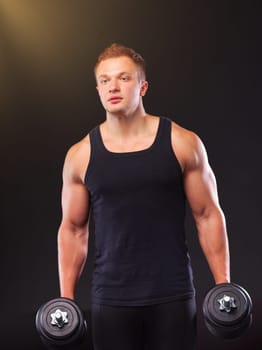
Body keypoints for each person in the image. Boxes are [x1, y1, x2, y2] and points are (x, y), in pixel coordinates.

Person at [57, 43, 230, 350]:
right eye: (105, 80)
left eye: (124, 78)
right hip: (111, 299)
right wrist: (66, 300)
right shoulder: (80, 155)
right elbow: (73, 229)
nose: (113, 86)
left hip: (173, 295)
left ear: (143, 86)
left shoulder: (181, 142)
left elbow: (207, 215)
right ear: (97, 89)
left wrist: (223, 286)